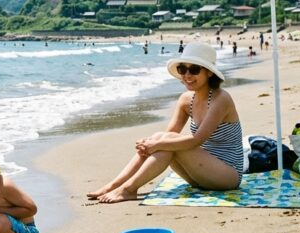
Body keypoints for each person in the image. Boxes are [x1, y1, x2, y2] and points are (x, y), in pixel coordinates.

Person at [86, 42, 244, 203]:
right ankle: (115, 185)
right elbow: (168, 135)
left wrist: (157, 144)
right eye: (182, 69)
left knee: (163, 141)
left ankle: (127, 189)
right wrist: (151, 143)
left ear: (209, 72)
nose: (187, 75)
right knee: (160, 137)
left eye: (194, 69)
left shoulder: (221, 99)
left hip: (227, 175)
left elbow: (197, 140)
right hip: (199, 173)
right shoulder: (186, 100)